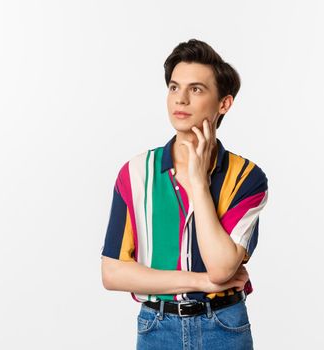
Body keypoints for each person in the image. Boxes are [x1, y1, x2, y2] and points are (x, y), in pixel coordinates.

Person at [100, 38, 269, 350]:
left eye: (196, 89)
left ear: (224, 103)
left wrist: (199, 182)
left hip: (224, 326)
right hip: (156, 327)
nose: (181, 99)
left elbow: (221, 268)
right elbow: (113, 272)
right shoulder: (135, 174)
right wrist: (199, 281)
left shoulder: (247, 178)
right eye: (174, 87)